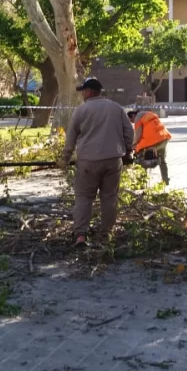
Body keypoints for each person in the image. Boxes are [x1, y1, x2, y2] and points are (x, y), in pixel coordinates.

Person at [58, 77, 134, 247]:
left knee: (84, 197)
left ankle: (81, 235)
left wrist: (65, 157)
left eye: (83, 91)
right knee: (109, 197)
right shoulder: (116, 108)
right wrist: (128, 152)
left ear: (90, 91)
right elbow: (129, 131)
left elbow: (71, 137)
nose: (82, 94)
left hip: (88, 161)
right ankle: (105, 234)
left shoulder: (81, 110)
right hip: (113, 160)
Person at [127, 110, 172, 185]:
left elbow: (138, 135)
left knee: (140, 158)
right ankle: (165, 181)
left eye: (131, 121)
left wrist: (133, 145)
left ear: (133, 115)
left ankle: (142, 182)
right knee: (162, 160)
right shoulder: (149, 114)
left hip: (154, 141)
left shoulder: (138, 117)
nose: (133, 123)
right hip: (164, 137)